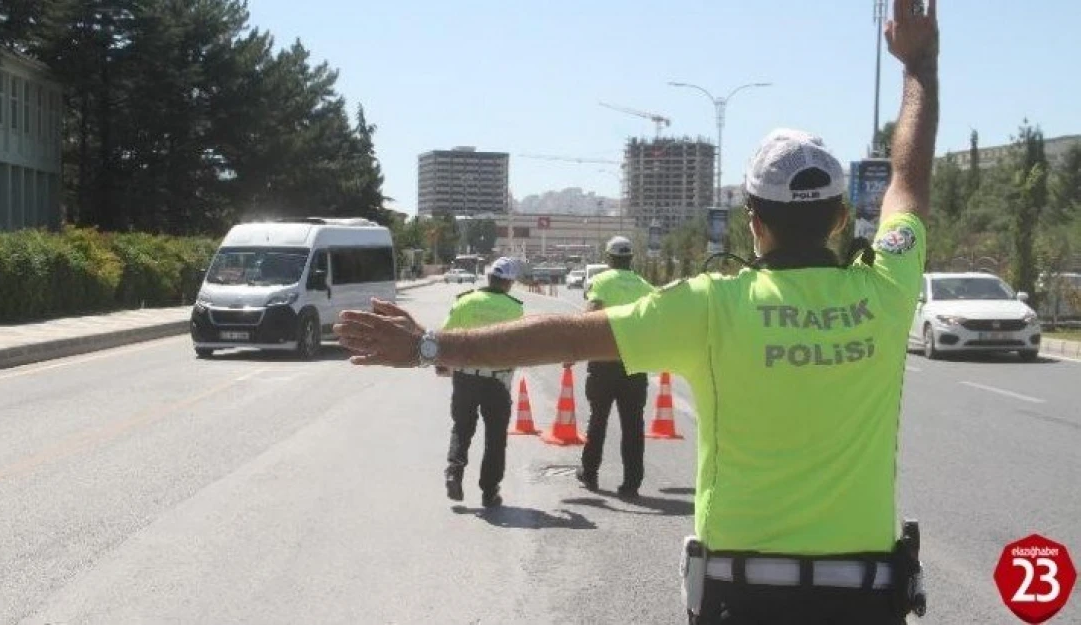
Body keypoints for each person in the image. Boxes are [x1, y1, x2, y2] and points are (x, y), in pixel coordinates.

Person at [335, 1, 937, 621]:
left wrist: (428, 347)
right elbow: (908, 181)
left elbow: (558, 336)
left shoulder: (713, 305)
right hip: (864, 601)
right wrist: (920, 66)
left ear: (754, 224)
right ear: (842, 217)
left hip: (743, 598)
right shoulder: (887, 288)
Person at [439, 257, 524, 509]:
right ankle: (489, 492)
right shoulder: (515, 308)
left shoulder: (465, 301)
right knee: (496, 438)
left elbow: (445, 336)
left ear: (488, 278)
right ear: (509, 283)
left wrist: (442, 365)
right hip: (497, 382)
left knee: (462, 427)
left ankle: (454, 471)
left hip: (465, 378)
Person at [572, 236, 655, 497]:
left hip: (603, 363)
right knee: (633, 424)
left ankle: (590, 473)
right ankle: (631, 482)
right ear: (631, 258)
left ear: (609, 258)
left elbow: (592, 313)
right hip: (635, 362)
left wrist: (575, 348)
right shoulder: (645, 286)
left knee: (598, 420)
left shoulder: (602, 281)